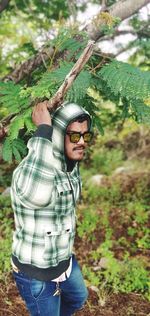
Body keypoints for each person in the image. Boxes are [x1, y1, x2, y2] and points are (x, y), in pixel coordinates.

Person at [10, 101, 93, 316]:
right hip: (35, 273)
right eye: (75, 136)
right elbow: (37, 195)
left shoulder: (69, 165)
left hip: (64, 261)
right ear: (57, 136)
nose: (82, 141)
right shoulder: (29, 171)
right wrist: (44, 130)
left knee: (78, 297)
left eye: (86, 135)